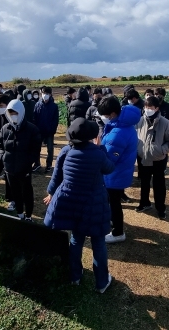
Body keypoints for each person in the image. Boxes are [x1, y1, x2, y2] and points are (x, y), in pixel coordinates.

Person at [43, 118, 115, 293]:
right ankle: (101, 282)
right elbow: (109, 168)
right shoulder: (98, 153)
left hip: (71, 201)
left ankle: (75, 276)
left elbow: (57, 174)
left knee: (76, 239)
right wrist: (102, 148)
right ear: (92, 136)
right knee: (98, 242)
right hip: (93, 203)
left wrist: (51, 193)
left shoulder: (66, 150)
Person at [98, 97, 141, 243]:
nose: (104, 118)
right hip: (119, 171)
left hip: (114, 173)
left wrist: (97, 152)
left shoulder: (118, 132)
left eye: (105, 115)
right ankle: (113, 222)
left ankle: (118, 232)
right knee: (112, 200)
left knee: (114, 202)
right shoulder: (122, 124)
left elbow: (109, 158)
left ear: (112, 114)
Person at [0, 100, 41, 221]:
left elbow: (35, 149)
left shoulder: (32, 129)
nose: (13, 115)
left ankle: (28, 215)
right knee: (15, 192)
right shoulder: (5, 129)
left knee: (27, 192)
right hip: (9, 168)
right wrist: (2, 157)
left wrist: (28, 162)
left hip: (24, 168)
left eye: (15, 113)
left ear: (21, 112)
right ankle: (19, 213)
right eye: (10, 113)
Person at [136, 96, 169, 219]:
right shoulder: (139, 121)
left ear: (157, 108)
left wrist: (161, 150)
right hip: (143, 157)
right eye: (145, 107)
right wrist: (138, 149)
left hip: (158, 159)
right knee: (144, 182)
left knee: (159, 185)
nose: (147, 110)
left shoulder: (166, 123)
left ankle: (160, 208)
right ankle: (144, 203)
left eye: (150, 108)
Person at [33, 86, 59, 173]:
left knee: (50, 149)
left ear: (50, 94)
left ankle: (49, 165)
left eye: (47, 94)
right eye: (44, 93)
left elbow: (55, 120)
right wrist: (35, 129)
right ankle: (37, 164)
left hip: (49, 131)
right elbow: (35, 118)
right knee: (36, 148)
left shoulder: (54, 106)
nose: (45, 95)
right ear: (41, 93)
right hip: (39, 131)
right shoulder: (37, 105)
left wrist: (53, 130)